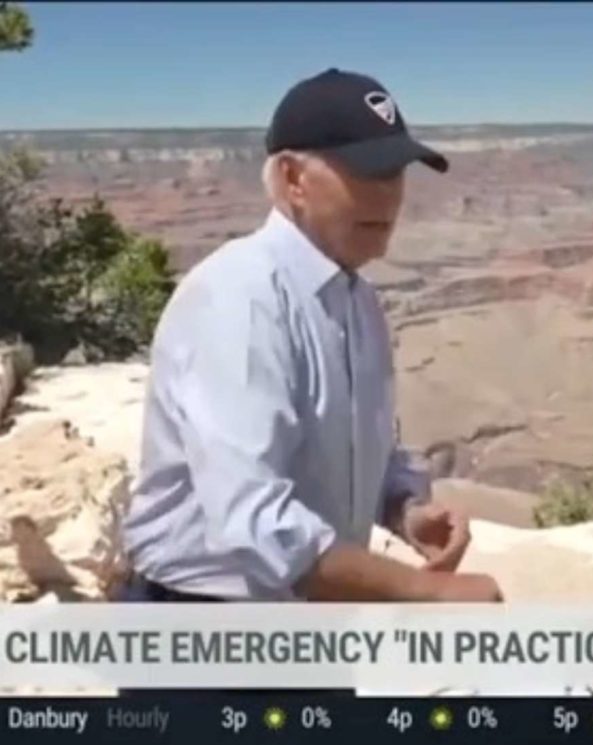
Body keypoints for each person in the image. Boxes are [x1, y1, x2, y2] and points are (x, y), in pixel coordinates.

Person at [117, 69, 503, 610]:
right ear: (293, 178)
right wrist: (425, 588)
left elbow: (358, 448)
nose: (388, 194)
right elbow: (253, 519)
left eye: (396, 171)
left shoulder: (357, 300)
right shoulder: (240, 300)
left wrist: (402, 508)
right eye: (368, 170)